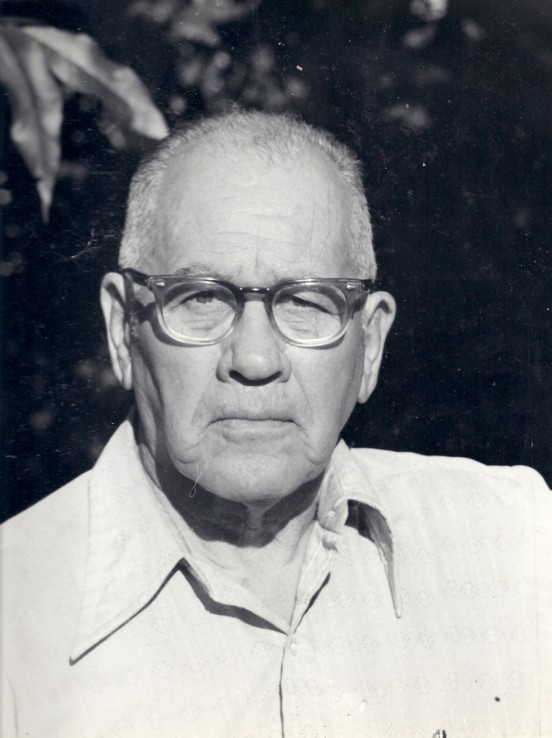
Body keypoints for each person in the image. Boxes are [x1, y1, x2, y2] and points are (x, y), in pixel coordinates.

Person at [1, 111, 550, 738]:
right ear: (122, 329)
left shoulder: (512, 543)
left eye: (306, 301)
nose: (256, 360)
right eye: (201, 297)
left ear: (370, 345)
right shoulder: (15, 627)